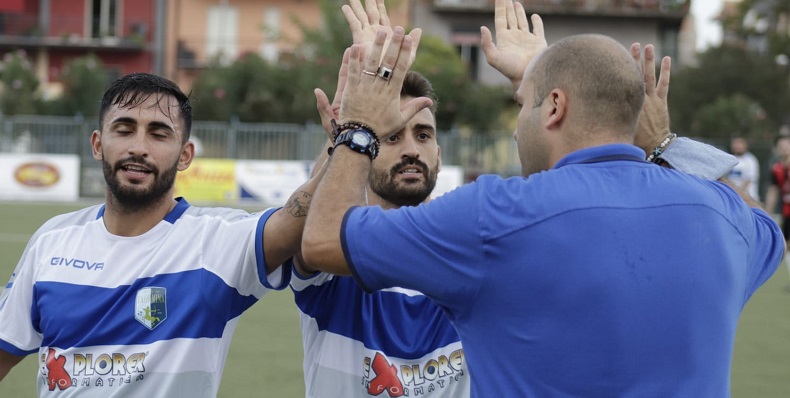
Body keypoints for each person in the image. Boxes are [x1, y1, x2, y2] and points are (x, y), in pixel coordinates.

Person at [300, 0, 785, 396]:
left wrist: (359, 126)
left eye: (522, 102)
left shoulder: (497, 216)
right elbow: (767, 228)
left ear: (554, 106)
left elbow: (322, 240)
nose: (516, 128)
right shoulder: (721, 217)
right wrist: (665, 144)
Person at [0, 73, 326, 396]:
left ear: (185, 155)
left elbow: (297, 221)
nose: (139, 148)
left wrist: (350, 134)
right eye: (124, 130)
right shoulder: (51, 240)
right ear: (99, 145)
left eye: (159, 134)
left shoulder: (216, 242)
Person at [291, 1, 473, 396]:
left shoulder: (470, 248)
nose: (411, 149)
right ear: (367, 144)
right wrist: (349, 129)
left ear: (439, 155)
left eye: (423, 135)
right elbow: (308, 231)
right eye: (392, 136)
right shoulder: (330, 250)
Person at [764, 134, 790, 290]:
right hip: (787, 213)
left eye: (787, 144)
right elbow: (773, 191)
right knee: (785, 246)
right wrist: (766, 212)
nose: (785, 148)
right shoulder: (777, 169)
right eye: (781, 146)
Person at [727, 136, 760, 201]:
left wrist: (737, 194)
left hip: (747, 199)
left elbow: (748, 180)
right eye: (735, 143)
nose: (737, 146)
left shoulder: (750, 160)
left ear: (745, 145)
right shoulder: (731, 159)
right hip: (734, 197)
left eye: (740, 143)